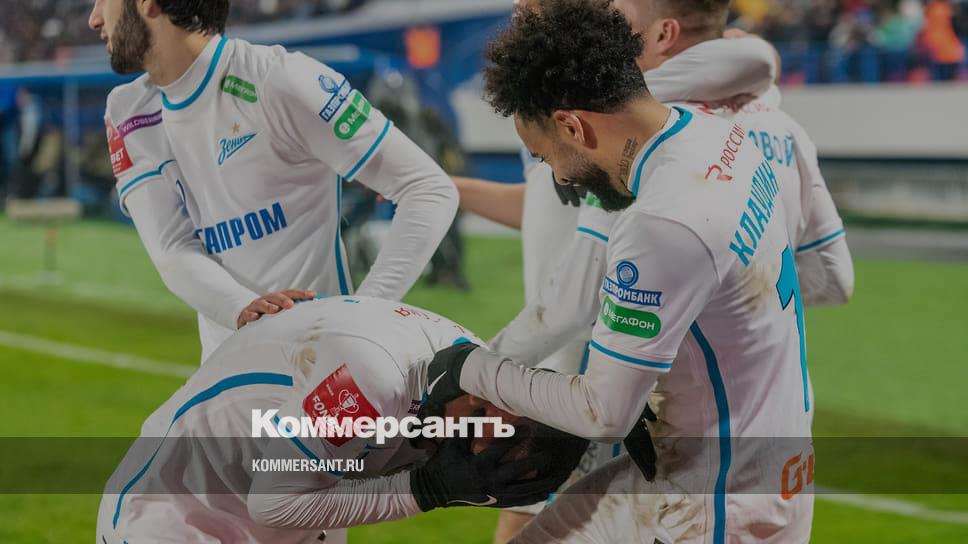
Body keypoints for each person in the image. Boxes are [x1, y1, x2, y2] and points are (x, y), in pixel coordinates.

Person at [428, 1, 814, 541]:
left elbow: (603, 412)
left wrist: (467, 367)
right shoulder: (719, 136)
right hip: (755, 456)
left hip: (716, 501)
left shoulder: (660, 222)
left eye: (545, 157)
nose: (561, 178)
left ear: (572, 125)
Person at [88, 0, 459, 361]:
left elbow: (428, 188)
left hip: (321, 363)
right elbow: (171, 246)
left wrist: (361, 314)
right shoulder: (126, 112)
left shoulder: (280, 79)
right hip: (225, 373)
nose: (94, 19)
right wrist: (242, 309)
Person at [97, 296, 588, 543]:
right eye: (479, 451)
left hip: (286, 503)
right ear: (494, 405)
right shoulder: (372, 382)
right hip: (179, 511)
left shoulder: (469, 377)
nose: (466, 462)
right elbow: (273, 502)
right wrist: (427, 490)